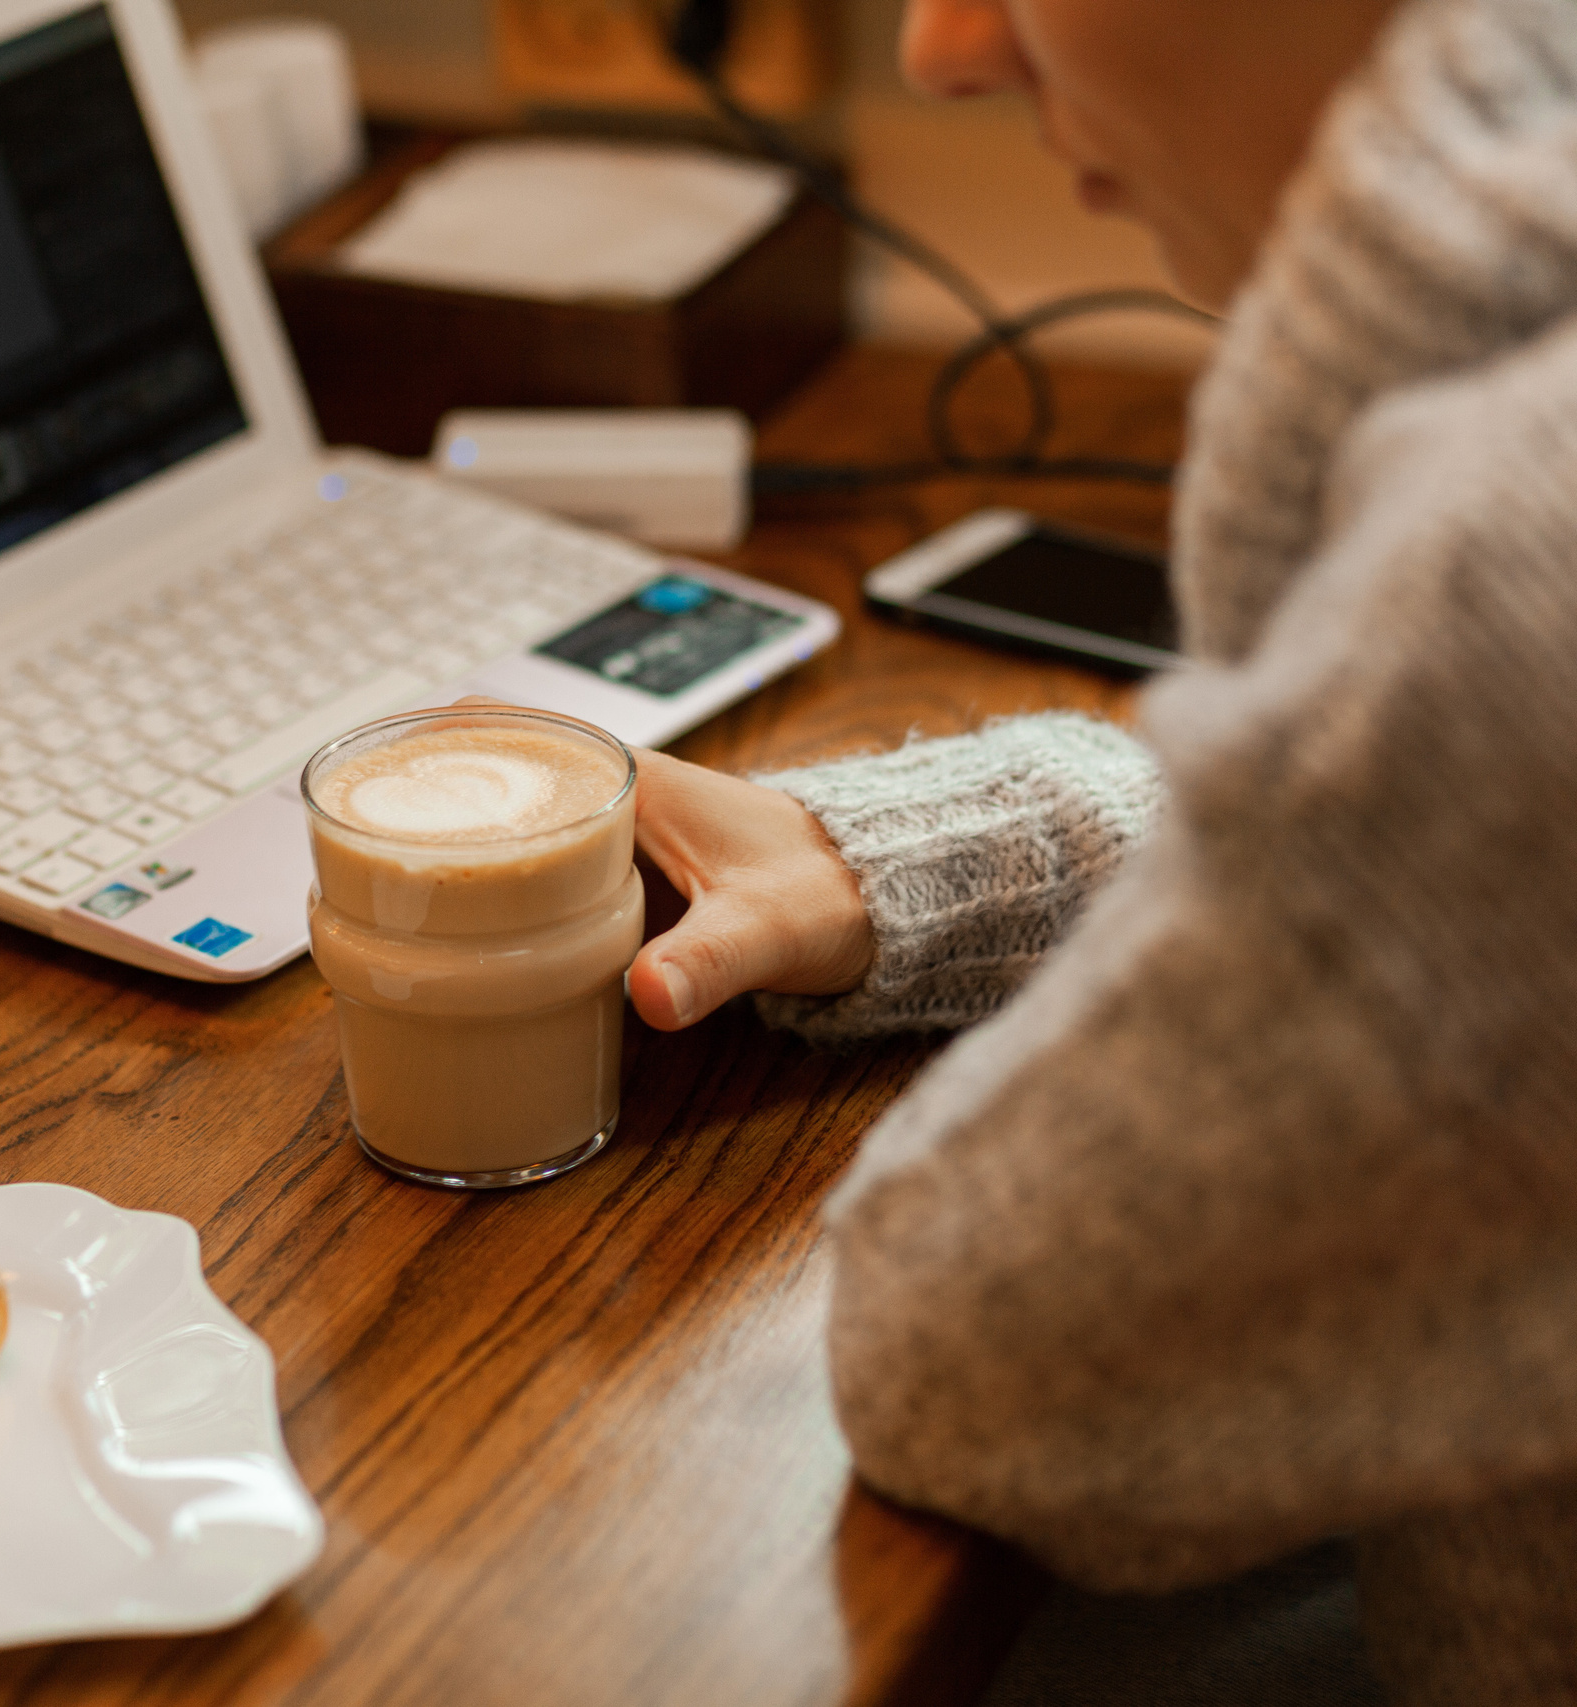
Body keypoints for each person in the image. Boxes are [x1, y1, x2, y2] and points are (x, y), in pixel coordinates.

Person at [622, 0, 1577, 1699]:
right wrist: (928, 855)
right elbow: (1403, 891)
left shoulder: (1524, 582)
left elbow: (967, 1357)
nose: (942, 49)